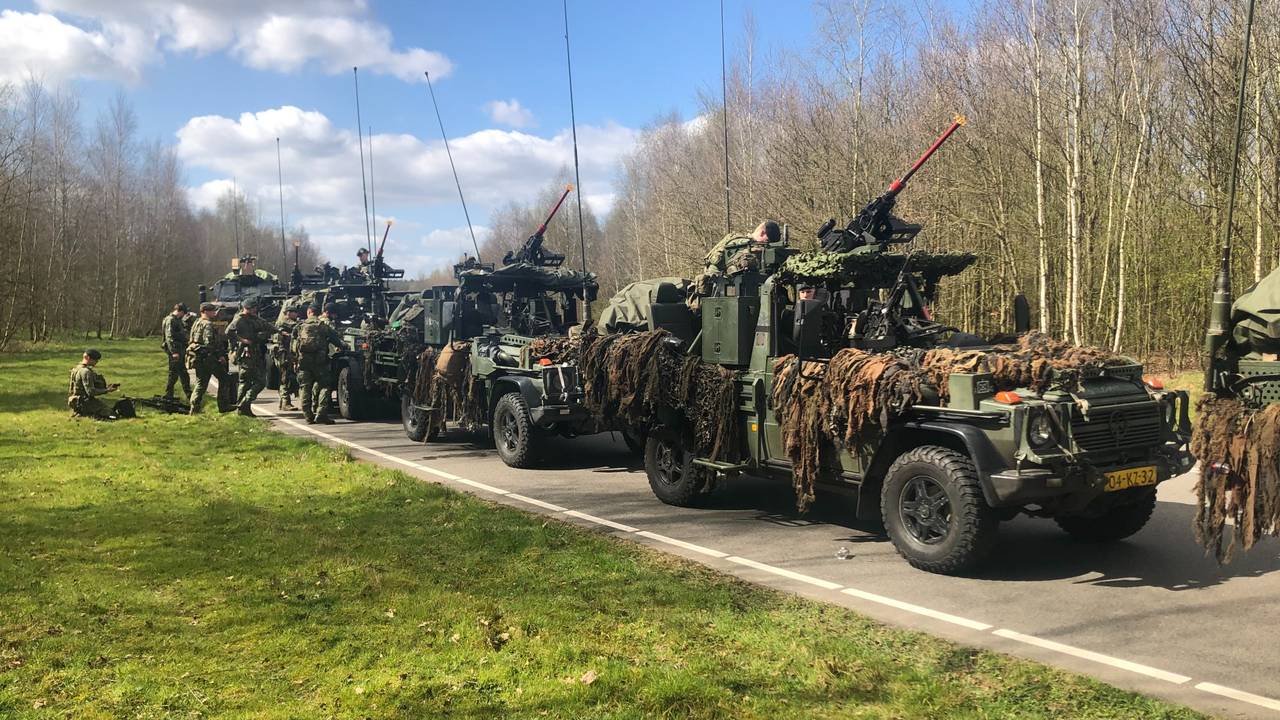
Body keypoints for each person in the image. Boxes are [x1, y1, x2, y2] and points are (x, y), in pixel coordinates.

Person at [689, 220, 783, 310]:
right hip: (716, 287)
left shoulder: (742, 241)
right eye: (767, 241)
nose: (767, 245)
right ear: (762, 233)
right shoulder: (743, 244)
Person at [226, 296, 276, 417]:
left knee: (251, 382)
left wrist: (278, 331)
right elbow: (228, 332)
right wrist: (243, 340)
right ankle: (243, 405)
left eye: (254, 308)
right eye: (251, 308)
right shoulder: (239, 319)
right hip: (245, 353)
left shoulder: (254, 318)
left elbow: (266, 325)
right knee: (252, 381)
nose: (254, 310)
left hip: (255, 352)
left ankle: (244, 407)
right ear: (245, 308)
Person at [294, 304, 344, 424]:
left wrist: (295, 361)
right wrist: (343, 346)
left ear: (309, 312)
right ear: (318, 312)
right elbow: (335, 339)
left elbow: (294, 345)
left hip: (304, 361)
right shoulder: (323, 326)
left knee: (305, 388)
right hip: (320, 361)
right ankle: (321, 413)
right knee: (325, 386)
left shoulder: (300, 326)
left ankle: (308, 415)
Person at [187, 302, 231, 414]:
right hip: (208, 358)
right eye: (212, 311)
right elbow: (210, 343)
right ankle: (223, 405)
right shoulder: (208, 325)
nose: (214, 313)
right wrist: (219, 356)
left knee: (201, 383)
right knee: (224, 378)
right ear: (206, 311)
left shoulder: (197, 322)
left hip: (198, 357)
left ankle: (194, 407)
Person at [68, 349, 119, 419]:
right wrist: (107, 390)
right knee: (113, 415)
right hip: (84, 402)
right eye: (95, 360)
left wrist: (106, 387)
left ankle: (81, 413)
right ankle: (87, 415)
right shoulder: (86, 372)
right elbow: (91, 392)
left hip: (74, 401)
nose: (97, 362)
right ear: (88, 358)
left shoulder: (77, 368)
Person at [161, 303, 192, 401]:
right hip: (175, 351)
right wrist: (174, 351)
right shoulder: (171, 320)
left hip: (179, 350)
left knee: (177, 373)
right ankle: (187, 395)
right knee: (179, 374)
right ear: (181, 312)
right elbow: (169, 337)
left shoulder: (176, 320)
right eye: (183, 313)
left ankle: (170, 394)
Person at [274, 306, 301, 411]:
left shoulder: (288, 322)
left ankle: (284, 402)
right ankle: (285, 402)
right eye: (294, 312)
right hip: (284, 354)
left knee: (287, 377)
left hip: (287, 353)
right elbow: (296, 326)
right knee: (285, 378)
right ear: (288, 313)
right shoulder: (284, 322)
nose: (296, 314)